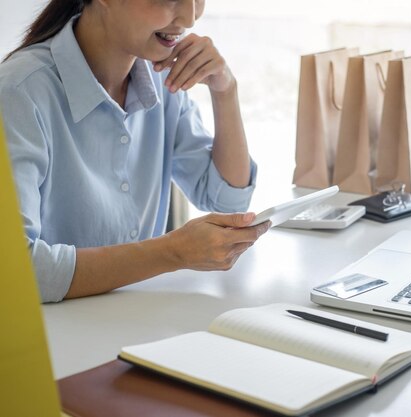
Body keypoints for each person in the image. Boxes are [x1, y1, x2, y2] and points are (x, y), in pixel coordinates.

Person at [0, 0, 270, 303]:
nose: (190, 18)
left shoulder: (161, 80)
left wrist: (225, 89)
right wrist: (171, 252)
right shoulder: (18, 93)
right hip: (52, 339)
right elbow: (15, 270)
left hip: (135, 324)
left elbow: (228, 201)